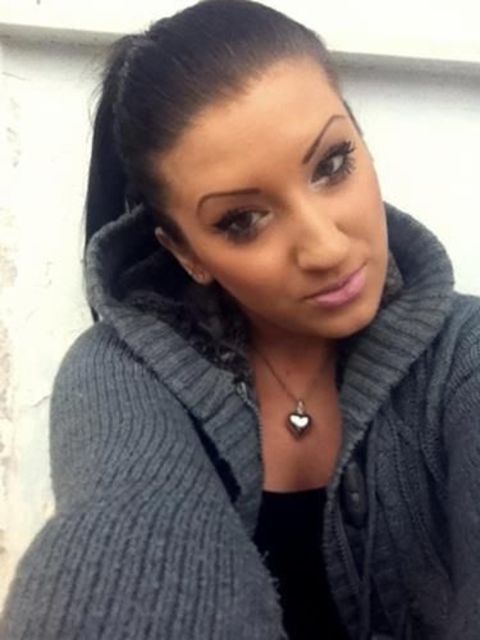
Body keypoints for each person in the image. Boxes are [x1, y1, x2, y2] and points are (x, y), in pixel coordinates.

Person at [2, 0, 480, 638]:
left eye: (332, 164)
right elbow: (129, 536)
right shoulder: (121, 377)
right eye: (242, 220)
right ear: (187, 254)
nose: (326, 249)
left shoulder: (464, 354)